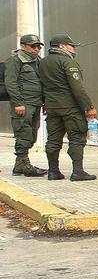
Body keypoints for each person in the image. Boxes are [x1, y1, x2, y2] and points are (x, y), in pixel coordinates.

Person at [38, 34, 97, 181]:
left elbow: (41, 86)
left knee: (53, 140)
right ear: (62, 46)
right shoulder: (67, 62)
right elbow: (77, 88)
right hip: (70, 107)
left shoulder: (43, 62)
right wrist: (89, 107)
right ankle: (78, 172)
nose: (74, 48)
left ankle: (53, 171)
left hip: (52, 108)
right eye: (71, 45)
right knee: (77, 137)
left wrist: (45, 104)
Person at [4, 33, 47, 176]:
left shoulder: (38, 61)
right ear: (23, 46)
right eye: (33, 46)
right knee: (23, 133)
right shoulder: (15, 61)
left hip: (36, 103)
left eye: (38, 47)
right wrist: (18, 103)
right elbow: (11, 83)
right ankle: (25, 165)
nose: (36, 49)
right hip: (23, 104)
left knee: (32, 135)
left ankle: (19, 166)